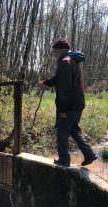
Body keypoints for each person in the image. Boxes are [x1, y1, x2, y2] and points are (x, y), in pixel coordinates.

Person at [39, 37, 98, 167]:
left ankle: (64, 161)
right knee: (73, 129)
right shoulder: (73, 61)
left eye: (55, 51)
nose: (54, 54)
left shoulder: (65, 62)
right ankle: (89, 155)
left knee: (62, 132)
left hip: (69, 106)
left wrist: (62, 110)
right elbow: (60, 79)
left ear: (61, 50)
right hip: (78, 104)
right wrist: (47, 83)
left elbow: (64, 88)